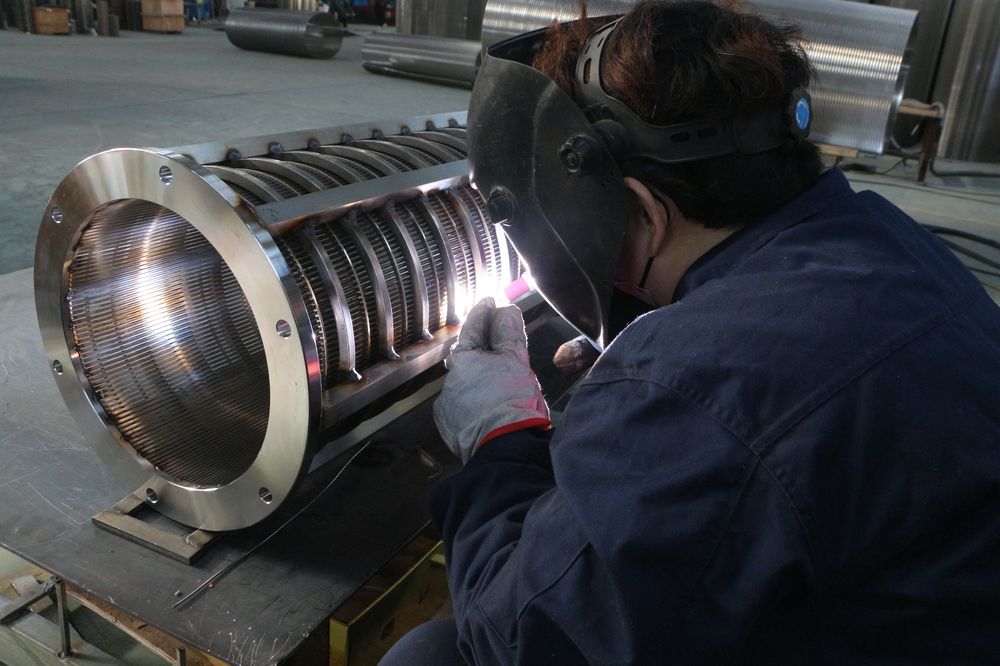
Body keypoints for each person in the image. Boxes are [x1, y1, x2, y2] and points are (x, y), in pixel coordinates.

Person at [380, 1, 1000, 663]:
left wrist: (499, 440)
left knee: (432, 655)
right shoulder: (888, 239)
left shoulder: (698, 387)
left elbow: (519, 638)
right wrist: (658, 340)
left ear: (639, 208)